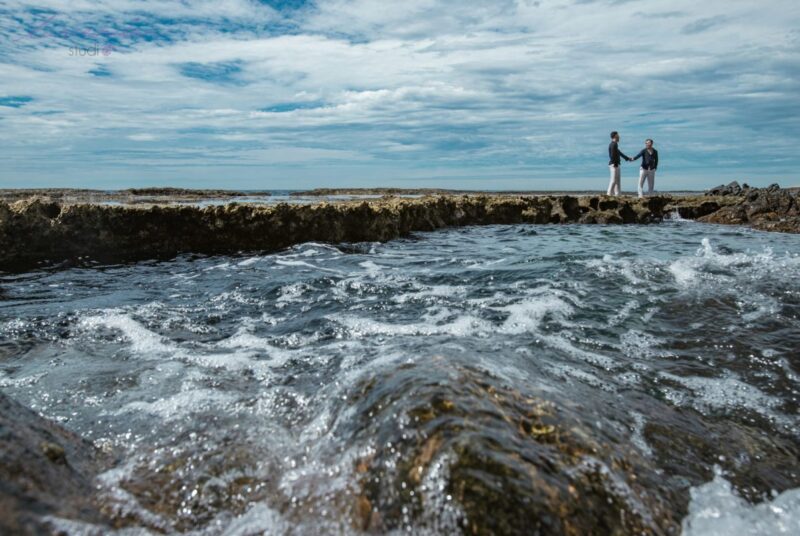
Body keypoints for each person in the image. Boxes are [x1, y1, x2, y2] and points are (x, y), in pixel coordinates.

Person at [607, 131, 632, 196]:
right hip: (614, 164)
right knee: (613, 180)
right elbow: (612, 155)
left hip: (616, 164)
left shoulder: (615, 144)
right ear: (615, 136)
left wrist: (627, 158)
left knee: (617, 181)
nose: (619, 137)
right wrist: (615, 163)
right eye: (618, 136)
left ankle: (618, 194)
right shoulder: (613, 144)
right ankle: (609, 194)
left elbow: (619, 153)